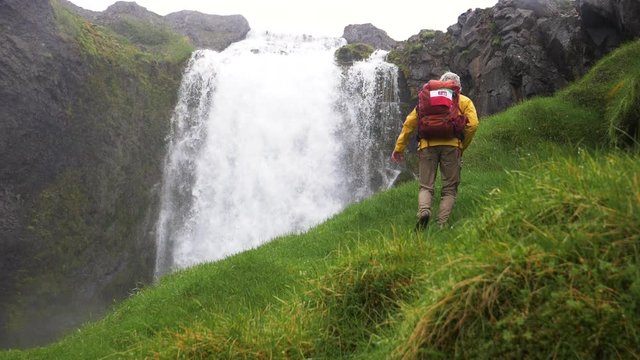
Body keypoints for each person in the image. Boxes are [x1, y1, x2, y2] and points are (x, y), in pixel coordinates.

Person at [391, 72, 479, 230]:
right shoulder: (464, 100)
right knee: (449, 188)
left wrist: (399, 148)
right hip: (452, 147)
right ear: (458, 86)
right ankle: (441, 224)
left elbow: (409, 123)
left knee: (426, 186)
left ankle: (424, 211)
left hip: (427, 145)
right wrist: (462, 146)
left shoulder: (427, 99)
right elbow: (473, 125)